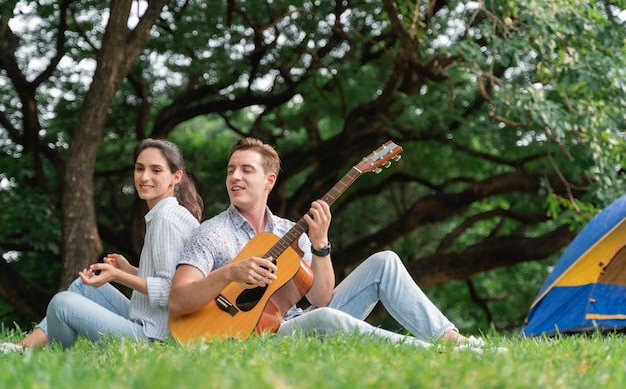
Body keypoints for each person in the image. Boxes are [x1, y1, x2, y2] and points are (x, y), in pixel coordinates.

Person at [168, 137, 502, 352]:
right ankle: (436, 354)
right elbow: (178, 302)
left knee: (383, 261)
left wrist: (320, 244)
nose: (235, 177)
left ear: (269, 180)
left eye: (246, 170)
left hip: (298, 320)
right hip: (258, 338)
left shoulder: (289, 232)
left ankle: (449, 338)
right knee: (325, 320)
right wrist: (230, 273)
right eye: (231, 170)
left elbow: (322, 297)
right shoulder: (210, 233)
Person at [0, 138, 203, 352]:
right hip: (151, 322)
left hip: (157, 338)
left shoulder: (166, 219)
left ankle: (52, 357)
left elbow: (173, 291)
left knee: (62, 304)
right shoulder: (167, 213)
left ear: (176, 177)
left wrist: (118, 276)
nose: (145, 177)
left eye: (156, 170)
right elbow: (171, 276)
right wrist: (130, 270)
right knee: (82, 286)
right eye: (139, 168)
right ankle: (21, 349)